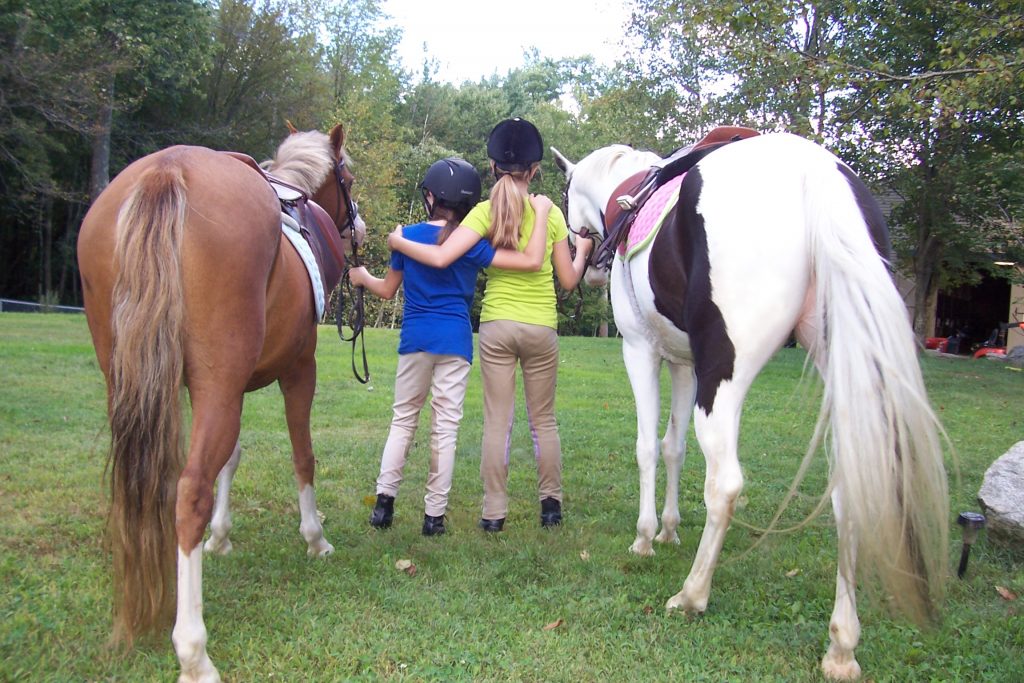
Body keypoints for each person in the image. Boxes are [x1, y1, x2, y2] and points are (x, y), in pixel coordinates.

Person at [387, 118, 593, 532]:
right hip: (541, 327)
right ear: (534, 170)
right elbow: (569, 281)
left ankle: (493, 514)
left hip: (497, 325)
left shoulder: (482, 212)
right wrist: (583, 249)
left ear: (494, 167)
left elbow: (443, 256)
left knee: (498, 420)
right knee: (544, 420)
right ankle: (550, 506)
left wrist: (399, 242)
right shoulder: (547, 211)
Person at [348, 157, 552, 536]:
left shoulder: (407, 235)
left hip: (415, 339)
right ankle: (434, 517)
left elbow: (388, 289)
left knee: (404, 419)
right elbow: (526, 261)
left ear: (430, 196)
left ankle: (384, 505)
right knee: (445, 427)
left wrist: (362, 277)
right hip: (455, 340)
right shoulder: (471, 243)